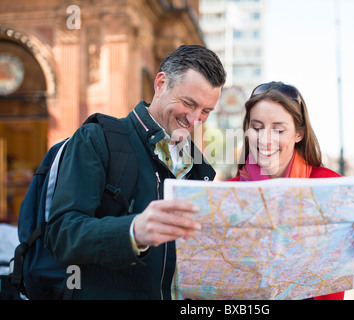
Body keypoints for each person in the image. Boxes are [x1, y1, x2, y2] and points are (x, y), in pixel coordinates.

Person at [44, 45, 226, 299]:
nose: (195, 119)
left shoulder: (200, 169)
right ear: (161, 83)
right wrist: (133, 231)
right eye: (188, 103)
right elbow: (63, 234)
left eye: (206, 111)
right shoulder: (96, 138)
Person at [229, 81, 354, 300]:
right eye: (257, 127)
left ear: (299, 133)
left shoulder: (333, 186)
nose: (265, 139)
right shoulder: (228, 192)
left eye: (278, 129)